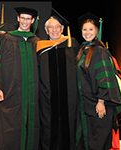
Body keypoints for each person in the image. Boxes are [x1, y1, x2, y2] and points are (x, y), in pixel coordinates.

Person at [0, 7, 40, 150]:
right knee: (10, 124)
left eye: (28, 19)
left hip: (32, 92)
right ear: (18, 19)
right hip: (11, 90)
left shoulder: (36, 41)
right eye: (22, 18)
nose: (25, 21)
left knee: (31, 124)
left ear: (33, 21)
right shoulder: (6, 38)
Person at [76, 12, 121, 150]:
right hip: (86, 105)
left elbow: (105, 78)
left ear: (97, 31)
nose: (87, 32)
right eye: (84, 29)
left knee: (97, 142)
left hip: (97, 106)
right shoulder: (83, 50)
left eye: (91, 29)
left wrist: (101, 101)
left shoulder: (99, 51)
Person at [37, 8, 80, 150]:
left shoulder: (71, 44)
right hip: (47, 97)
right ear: (46, 30)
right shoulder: (40, 48)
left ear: (62, 29)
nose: (54, 30)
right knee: (49, 128)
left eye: (57, 27)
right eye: (51, 27)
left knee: (69, 127)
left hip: (70, 97)